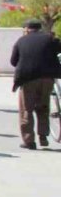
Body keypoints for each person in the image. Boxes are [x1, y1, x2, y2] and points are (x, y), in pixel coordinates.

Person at [10, 19, 61, 149]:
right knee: (43, 107)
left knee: (27, 109)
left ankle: (29, 141)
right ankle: (43, 137)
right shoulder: (49, 39)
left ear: (27, 29)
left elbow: (13, 61)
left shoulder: (21, 41)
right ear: (40, 29)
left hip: (28, 78)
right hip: (47, 77)